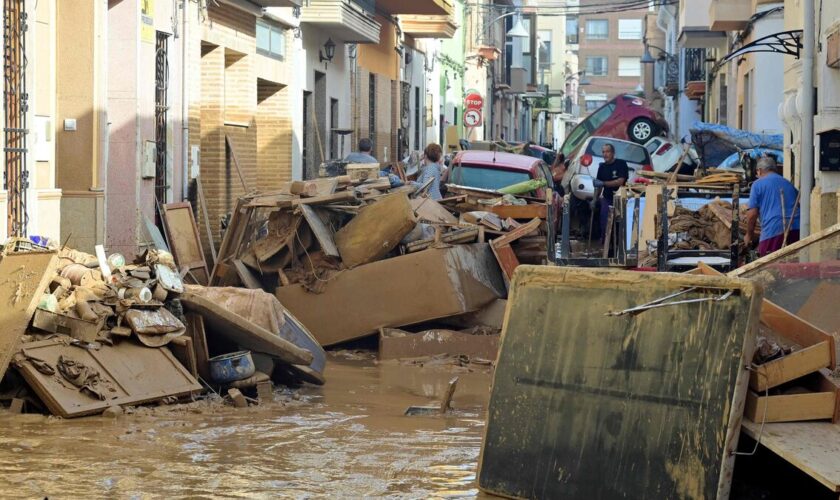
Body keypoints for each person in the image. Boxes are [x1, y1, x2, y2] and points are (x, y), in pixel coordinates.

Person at [745, 156, 800, 256]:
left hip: (774, 230)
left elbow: (752, 214)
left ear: (760, 171)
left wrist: (749, 235)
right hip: (797, 229)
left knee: (768, 266)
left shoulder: (757, 184)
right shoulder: (788, 184)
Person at [591, 142, 628, 240]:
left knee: (620, 223)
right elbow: (599, 186)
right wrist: (594, 200)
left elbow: (620, 181)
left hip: (620, 198)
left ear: (613, 153)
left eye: (607, 152)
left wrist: (603, 183)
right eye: (603, 152)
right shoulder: (602, 167)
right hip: (607, 199)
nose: (605, 154)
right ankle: (604, 243)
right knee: (604, 221)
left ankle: (619, 244)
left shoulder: (621, 164)